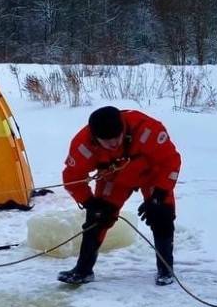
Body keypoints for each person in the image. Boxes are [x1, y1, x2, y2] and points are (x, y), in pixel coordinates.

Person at [58, 106, 182, 286]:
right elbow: (72, 178)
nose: (114, 143)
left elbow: (171, 161)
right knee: (97, 219)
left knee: (161, 214)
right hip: (114, 179)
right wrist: (90, 203)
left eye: (118, 137)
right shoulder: (83, 145)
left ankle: (166, 271)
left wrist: (159, 194)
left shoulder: (147, 129)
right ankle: (83, 271)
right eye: (107, 141)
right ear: (95, 137)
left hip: (152, 174)